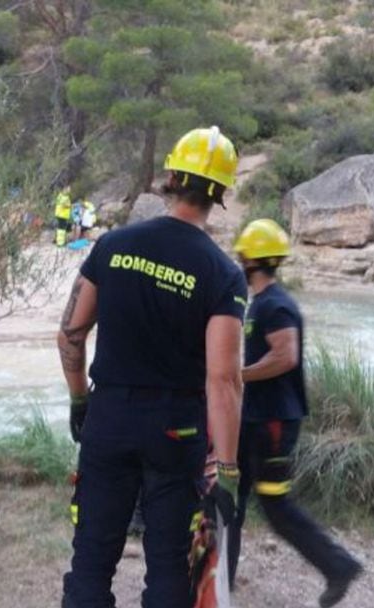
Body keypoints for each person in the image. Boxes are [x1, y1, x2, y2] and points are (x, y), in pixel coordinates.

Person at [58, 126, 247, 608]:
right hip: (176, 431)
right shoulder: (222, 273)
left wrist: (81, 398)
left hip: (110, 416)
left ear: (169, 178)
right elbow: (223, 379)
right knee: (168, 567)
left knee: (91, 561)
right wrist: (227, 470)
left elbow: (72, 334)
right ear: (220, 194)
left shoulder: (113, 245)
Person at [228, 219, 363, 608]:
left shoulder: (276, 305)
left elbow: (285, 356)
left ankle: (338, 566)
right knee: (232, 496)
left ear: (253, 259)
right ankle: (222, 576)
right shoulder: (262, 302)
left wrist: (237, 375)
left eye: (242, 253)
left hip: (273, 422)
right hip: (256, 418)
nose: (238, 258)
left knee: (275, 505)